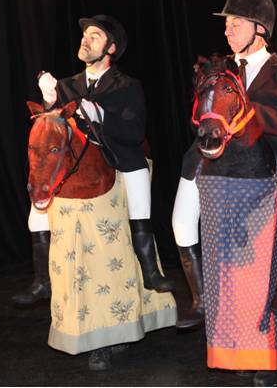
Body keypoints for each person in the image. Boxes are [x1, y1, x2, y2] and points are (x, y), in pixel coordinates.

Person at [172, 0, 277, 387]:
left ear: (260, 29)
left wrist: (253, 111)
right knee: (180, 224)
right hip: (216, 161)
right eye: (228, 24)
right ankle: (200, 300)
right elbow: (201, 113)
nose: (228, 31)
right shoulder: (218, 71)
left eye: (236, 24)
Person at [13, 15, 174, 307]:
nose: (85, 39)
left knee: (138, 187)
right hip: (77, 163)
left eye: (95, 36)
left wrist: (98, 112)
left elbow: (134, 131)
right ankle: (41, 280)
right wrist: (49, 101)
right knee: (38, 207)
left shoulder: (127, 85)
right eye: (85, 34)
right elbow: (55, 127)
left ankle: (150, 271)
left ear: (111, 48)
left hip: (121, 156)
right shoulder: (67, 85)